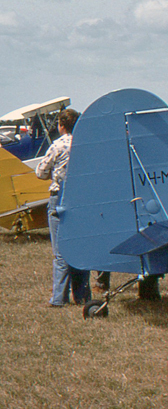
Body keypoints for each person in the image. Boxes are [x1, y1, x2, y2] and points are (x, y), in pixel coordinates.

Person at [35, 109, 92, 308]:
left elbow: (41, 173)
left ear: (61, 125)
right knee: (80, 248)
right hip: (82, 198)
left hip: (59, 198)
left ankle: (59, 297)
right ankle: (82, 294)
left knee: (60, 252)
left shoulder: (57, 145)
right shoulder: (85, 145)